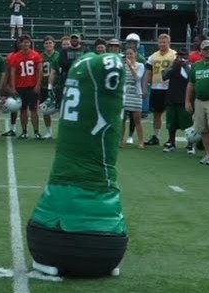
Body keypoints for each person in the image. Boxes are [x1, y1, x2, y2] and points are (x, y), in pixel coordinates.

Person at [27, 52, 128, 277]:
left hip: (50, 237)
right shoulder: (104, 70)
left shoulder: (79, 70)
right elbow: (113, 73)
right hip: (107, 246)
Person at [143, 33, 176, 146]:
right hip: (156, 87)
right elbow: (148, 72)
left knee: (171, 114)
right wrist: (145, 87)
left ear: (169, 43)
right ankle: (156, 136)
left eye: (164, 42)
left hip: (169, 88)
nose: (162, 44)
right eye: (160, 42)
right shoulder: (153, 56)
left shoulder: (174, 55)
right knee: (156, 113)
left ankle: (171, 138)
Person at [10, 34, 43, 139]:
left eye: (27, 42)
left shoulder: (36, 55)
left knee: (33, 109)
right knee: (23, 109)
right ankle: (24, 131)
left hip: (32, 86)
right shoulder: (15, 56)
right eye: (23, 42)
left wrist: (38, 85)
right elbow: (13, 72)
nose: (25, 44)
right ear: (20, 44)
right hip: (21, 86)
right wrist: (13, 87)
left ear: (30, 43)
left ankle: (36, 132)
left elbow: (40, 70)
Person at [161, 48, 194, 154]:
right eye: (179, 56)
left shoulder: (191, 68)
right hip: (172, 99)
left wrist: (184, 66)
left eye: (183, 56)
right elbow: (164, 76)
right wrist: (174, 66)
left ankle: (190, 144)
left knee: (188, 123)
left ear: (187, 57)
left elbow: (191, 79)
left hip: (184, 100)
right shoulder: (173, 66)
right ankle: (171, 142)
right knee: (171, 123)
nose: (181, 58)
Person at [49, 32, 86, 111]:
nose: (74, 40)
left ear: (79, 39)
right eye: (73, 38)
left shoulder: (85, 50)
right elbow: (63, 64)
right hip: (67, 80)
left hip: (82, 80)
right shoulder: (64, 52)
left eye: (76, 38)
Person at [120, 47, 145, 148]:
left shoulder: (140, 65)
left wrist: (131, 67)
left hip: (136, 94)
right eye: (127, 54)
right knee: (122, 120)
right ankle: (120, 141)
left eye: (131, 54)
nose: (129, 56)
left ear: (136, 54)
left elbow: (137, 78)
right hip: (125, 94)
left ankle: (141, 142)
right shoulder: (122, 66)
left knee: (137, 119)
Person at [40, 35, 59, 139]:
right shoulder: (40, 56)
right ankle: (49, 132)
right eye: (46, 43)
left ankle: (62, 132)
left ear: (54, 44)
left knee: (60, 109)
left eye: (50, 43)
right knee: (45, 109)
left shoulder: (58, 55)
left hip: (57, 86)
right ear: (44, 45)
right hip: (44, 86)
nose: (48, 45)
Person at [1, 38, 21, 137]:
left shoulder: (30, 55)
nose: (20, 45)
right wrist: (5, 87)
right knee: (13, 107)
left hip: (25, 84)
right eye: (18, 43)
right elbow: (7, 72)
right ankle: (13, 129)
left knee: (26, 108)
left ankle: (25, 131)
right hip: (13, 84)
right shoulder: (11, 56)